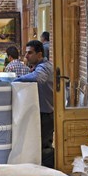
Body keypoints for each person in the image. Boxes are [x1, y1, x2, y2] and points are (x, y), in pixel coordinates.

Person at [13, 40, 55, 168]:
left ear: (39, 54)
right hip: (42, 112)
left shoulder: (44, 67)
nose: (26, 56)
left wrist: (15, 80)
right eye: (26, 53)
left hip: (45, 114)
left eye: (30, 53)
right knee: (39, 145)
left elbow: (38, 77)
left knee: (44, 147)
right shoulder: (40, 66)